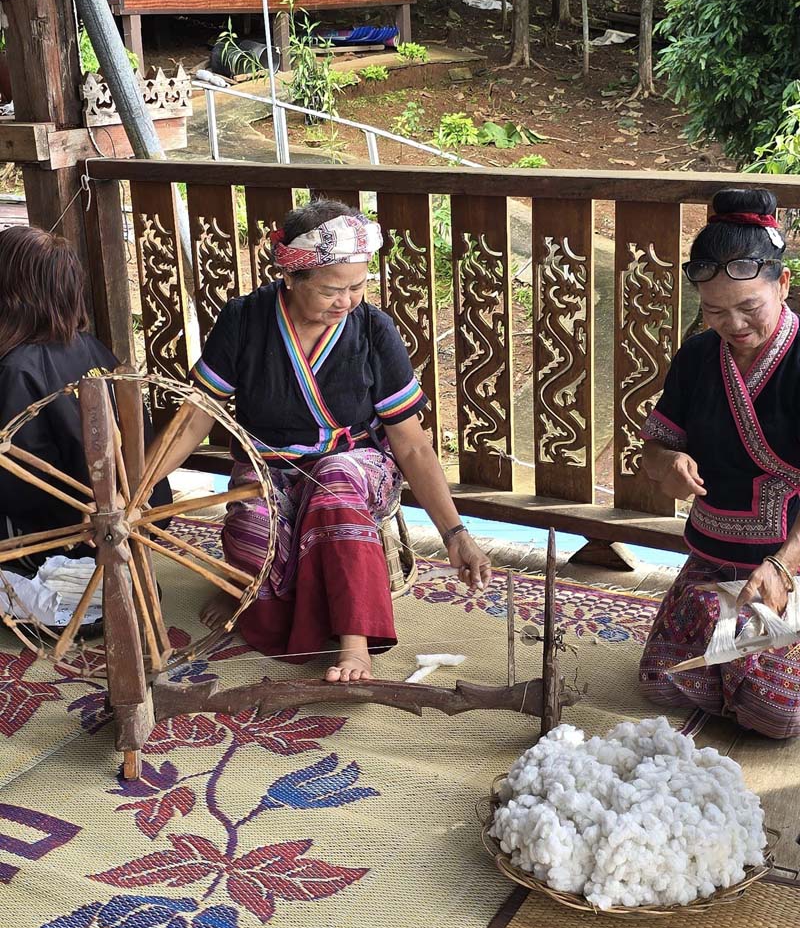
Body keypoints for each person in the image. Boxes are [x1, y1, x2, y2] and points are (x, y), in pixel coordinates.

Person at [152, 199, 491, 682]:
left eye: (358, 285)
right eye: (333, 289)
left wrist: (455, 534)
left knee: (334, 490)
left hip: (350, 459)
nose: (348, 301)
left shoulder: (373, 330)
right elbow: (194, 419)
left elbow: (411, 445)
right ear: (290, 278)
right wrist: (138, 488)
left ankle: (355, 645)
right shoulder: (244, 321)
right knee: (250, 532)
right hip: (267, 463)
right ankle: (253, 595)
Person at [639, 187, 800, 739]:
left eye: (749, 307)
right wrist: (669, 464)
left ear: (782, 283)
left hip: (790, 561)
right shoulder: (697, 358)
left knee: (777, 712)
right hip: (715, 556)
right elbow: (652, 453)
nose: (734, 325)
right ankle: (729, 642)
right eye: (714, 311)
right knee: (660, 683)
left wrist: (782, 567)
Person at [0, 225, 171, 567]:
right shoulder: (93, 349)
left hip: (73, 536)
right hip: (143, 512)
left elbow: (16, 483)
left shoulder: (17, 369)